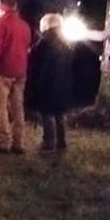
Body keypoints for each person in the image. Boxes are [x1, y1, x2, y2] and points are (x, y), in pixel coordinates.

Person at [0, 0, 32, 154]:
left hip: (1, 72)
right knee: (18, 108)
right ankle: (18, 142)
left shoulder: (0, 25)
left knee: (0, 108)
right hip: (20, 71)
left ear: (3, 7)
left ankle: (4, 142)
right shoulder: (24, 25)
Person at [26, 13, 73, 151]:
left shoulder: (45, 41)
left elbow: (36, 59)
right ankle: (61, 141)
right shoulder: (65, 42)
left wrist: (30, 53)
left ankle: (48, 142)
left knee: (47, 113)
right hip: (63, 81)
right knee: (59, 113)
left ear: (47, 25)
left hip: (47, 81)